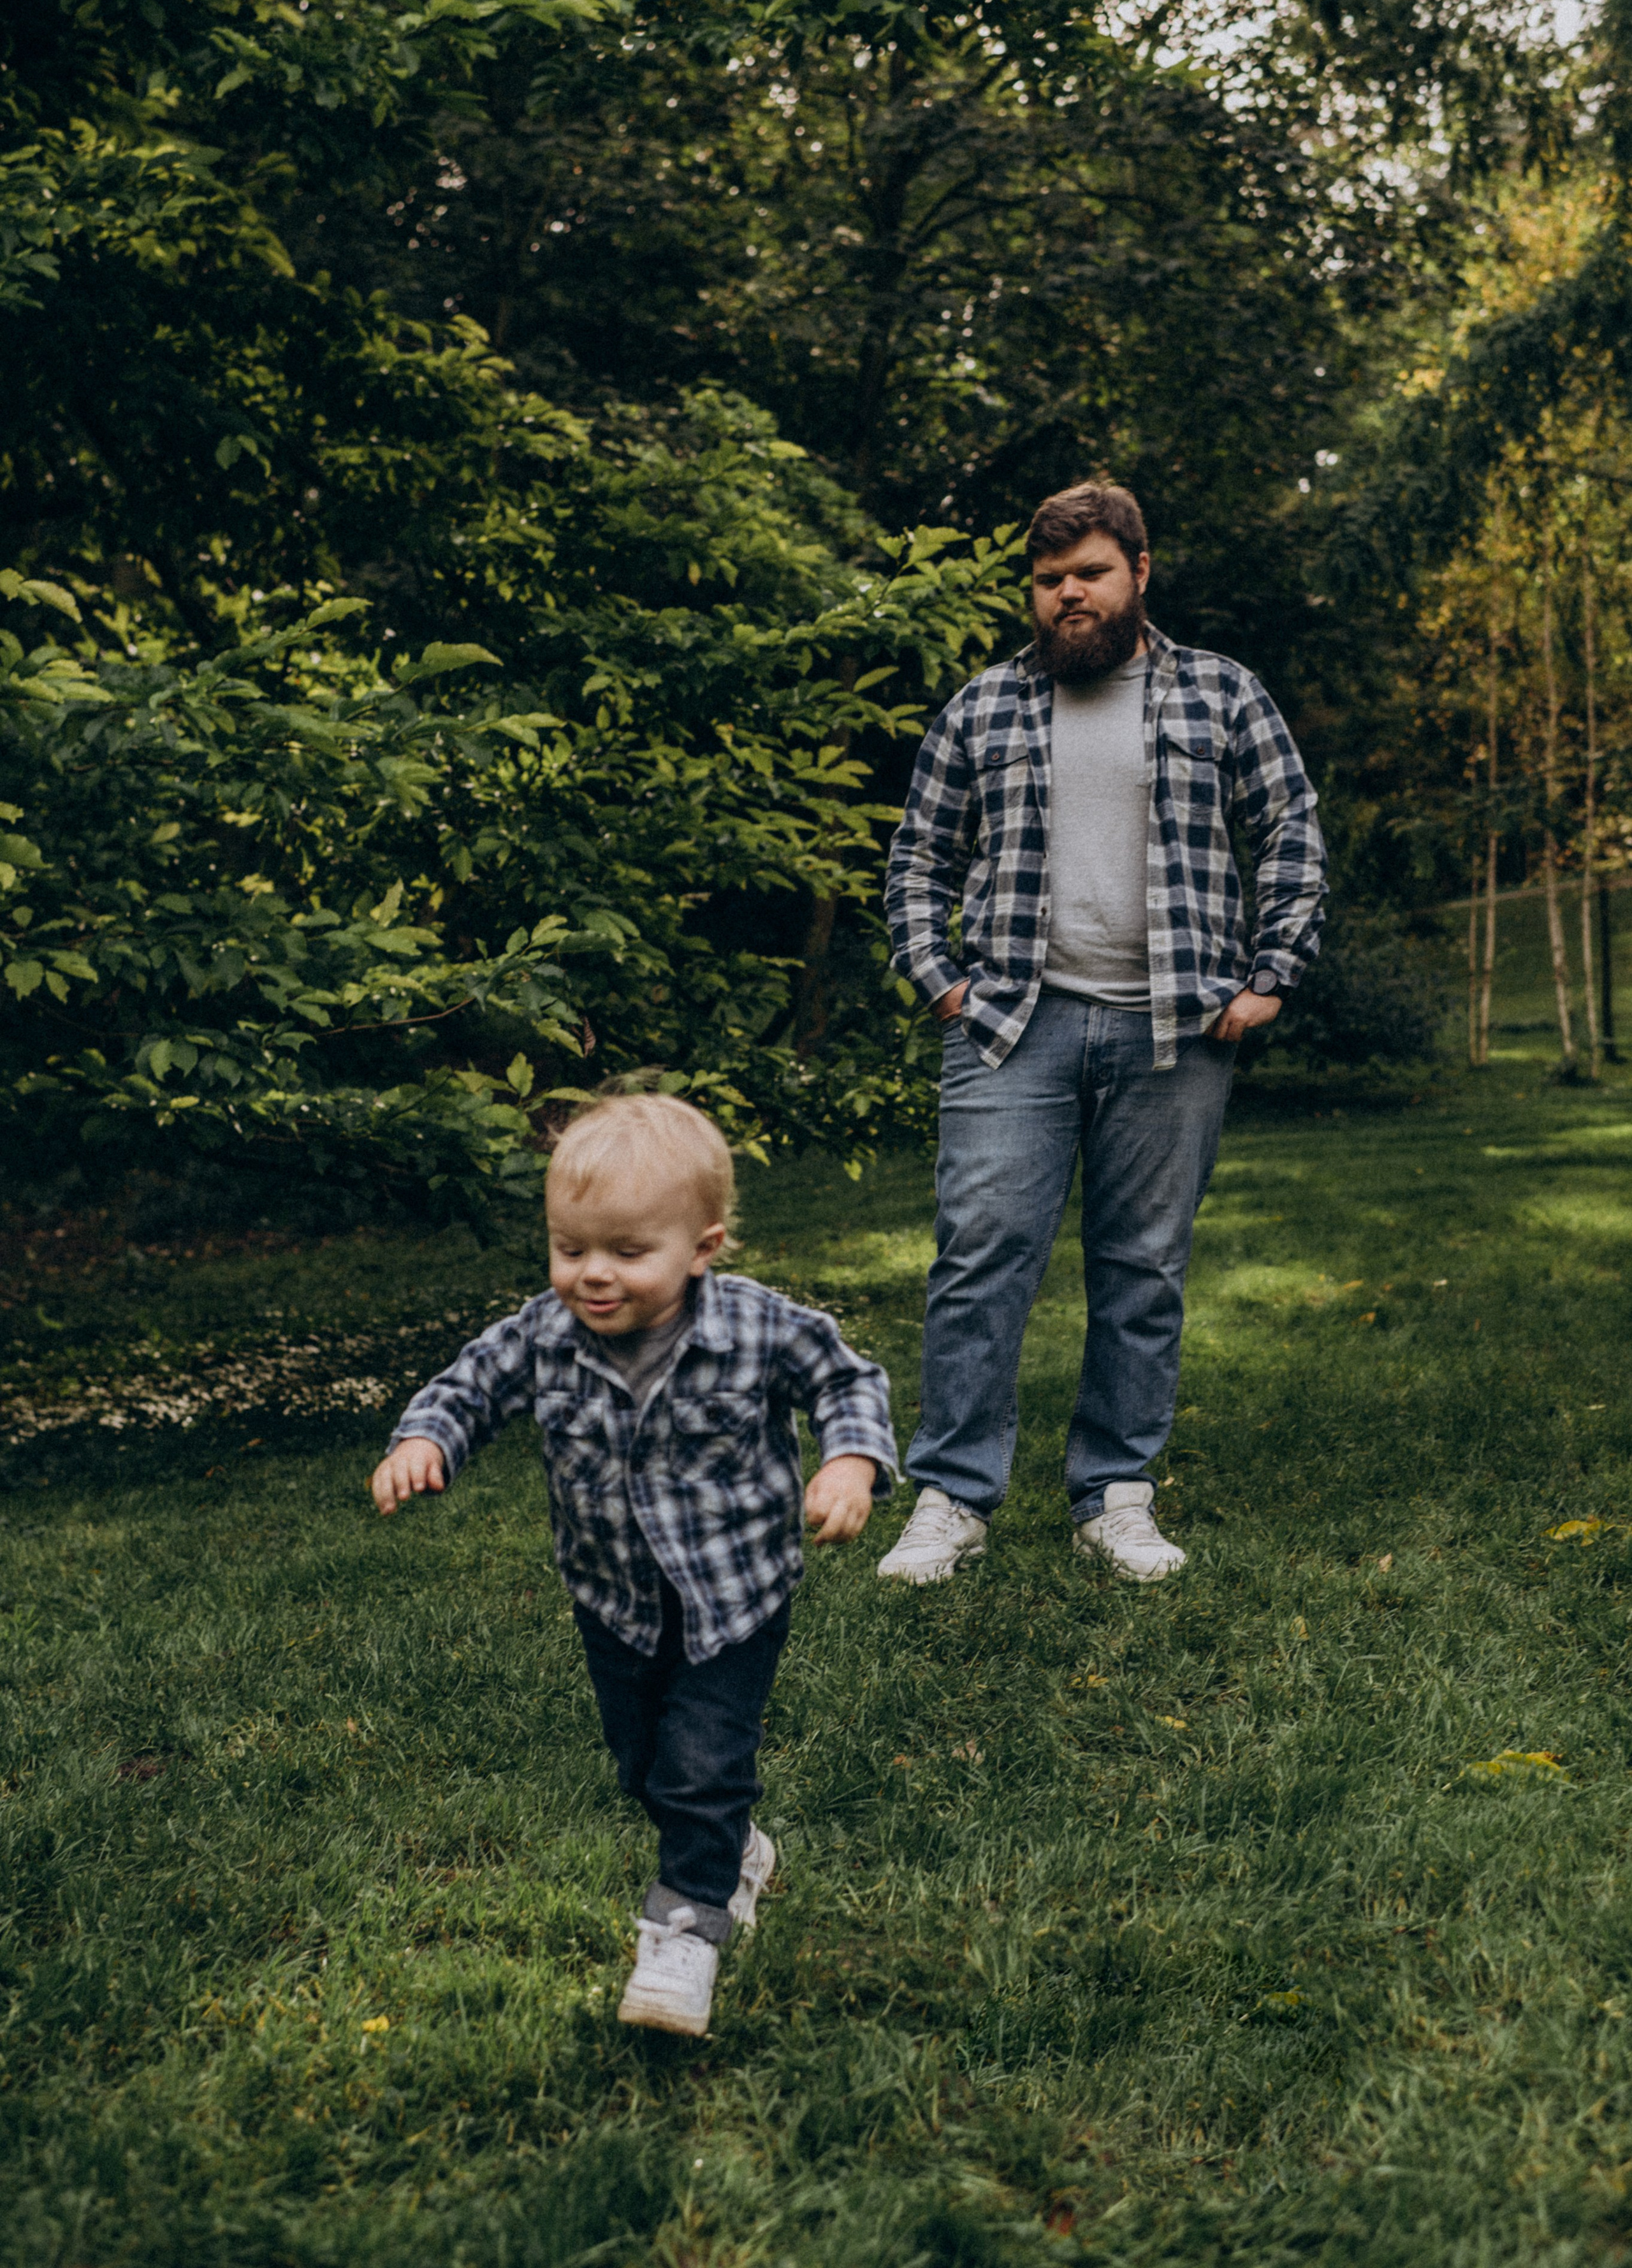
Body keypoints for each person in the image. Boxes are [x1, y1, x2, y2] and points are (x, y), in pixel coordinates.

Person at [370, 1090, 896, 2037]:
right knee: (645, 1768)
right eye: (571, 1250)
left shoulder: (755, 1326)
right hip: (612, 1599)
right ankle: (732, 1850)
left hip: (733, 1597)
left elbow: (845, 1377)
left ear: (703, 1248)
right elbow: (469, 1384)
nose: (592, 1276)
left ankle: (685, 1934)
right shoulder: (544, 1332)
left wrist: (851, 1461)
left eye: (626, 1252)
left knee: (701, 1762)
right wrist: (428, 1440)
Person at [880, 480, 1325, 1587]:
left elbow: (1291, 838)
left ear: (1138, 574)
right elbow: (916, 860)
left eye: (1089, 573)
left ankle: (1115, 1498)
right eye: (1048, 581)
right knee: (980, 1263)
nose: (1067, 595)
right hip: (1010, 1028)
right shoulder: (984, 707)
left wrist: (1271, 974)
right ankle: (951, 1500)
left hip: (1175, 1029)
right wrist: (943, 984)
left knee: (1144, 1269)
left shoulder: (1222, 694)